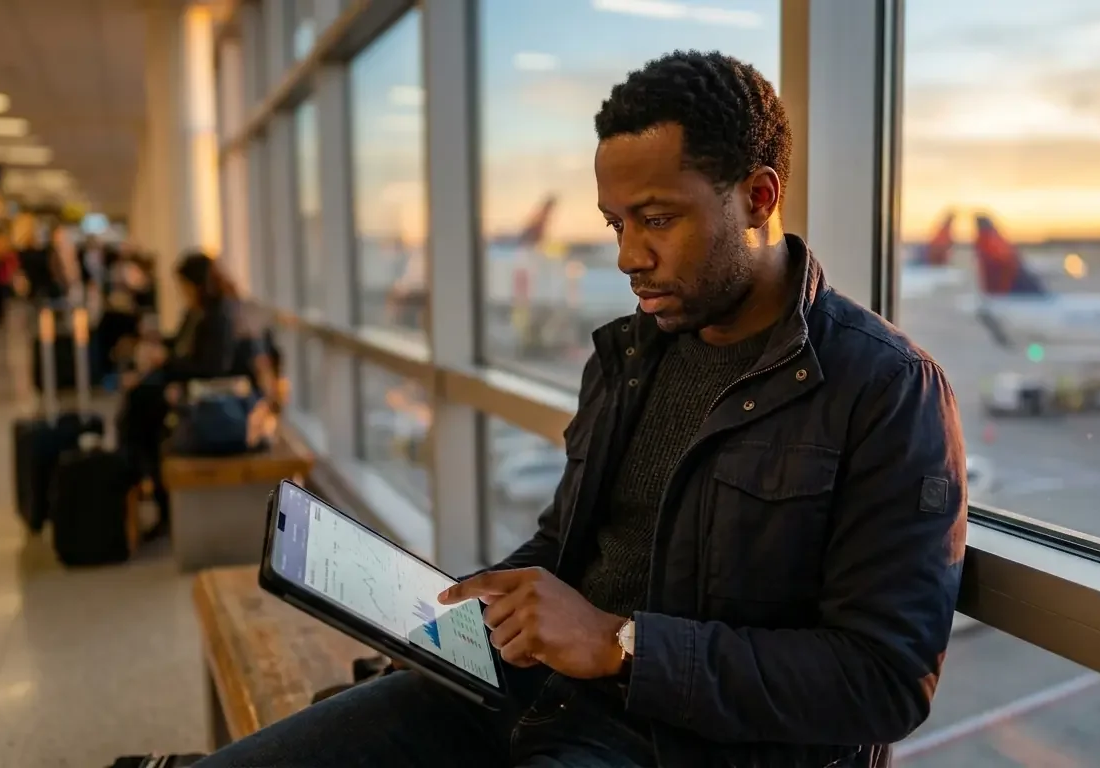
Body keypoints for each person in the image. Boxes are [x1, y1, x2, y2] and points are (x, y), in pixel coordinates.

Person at [194, 50, 967, 768]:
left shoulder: (886, 390)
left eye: (657, 219)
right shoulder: (632, 355)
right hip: (530, 692)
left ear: (758, 197)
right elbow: (569, 545)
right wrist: (459, 610)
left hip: (686, 748)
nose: (629, 255)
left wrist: (622, 645)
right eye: (615, 223)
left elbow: (884, 680)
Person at [117, 250, 273, 539]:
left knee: (142, 409)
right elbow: (183, 348)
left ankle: (139, 477)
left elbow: (212, 367)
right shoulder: (201, 311)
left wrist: (167, 362)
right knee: (141, 403)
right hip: (197, 387)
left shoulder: (219, 315)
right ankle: (143, 477)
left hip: (217, 399)